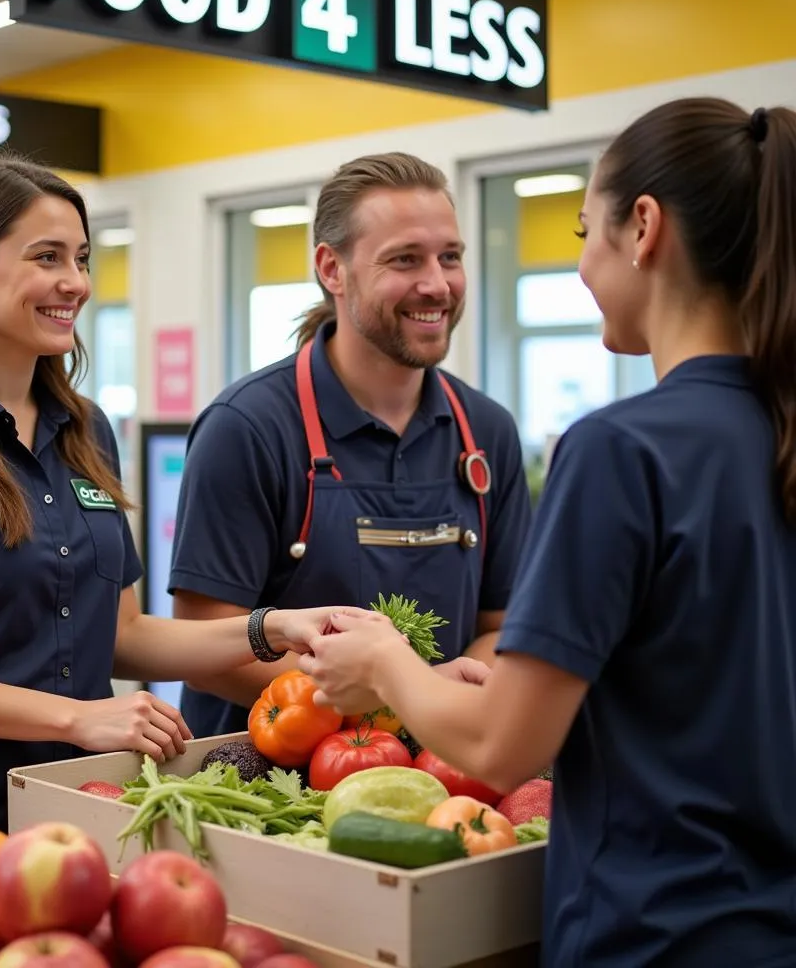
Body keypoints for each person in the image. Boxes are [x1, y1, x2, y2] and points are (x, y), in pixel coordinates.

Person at [300, 99, 796, 967]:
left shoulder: (621, 450)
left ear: (643, 228)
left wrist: (384, 660)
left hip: (657, 929)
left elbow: (505, 741)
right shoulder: (776, 429)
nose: (582, 264)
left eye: (581, 231)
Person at [0, 155, 349, 832]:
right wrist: (77, 717)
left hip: (70, 801)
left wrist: (272, 628)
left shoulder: (86, 430)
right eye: (46, 257)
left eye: (81, 258)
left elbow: (122, 635)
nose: (74, 283)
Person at [169, 152, 533, 739]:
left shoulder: (486, 431)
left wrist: (431, 696)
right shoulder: (248, 428)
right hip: (268, 787)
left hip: (441, 774)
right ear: (331, 269)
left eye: (451, 257)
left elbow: (502, 623)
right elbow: (203, 641)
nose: (437, 284)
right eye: (405, 260)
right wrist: (400, 696)